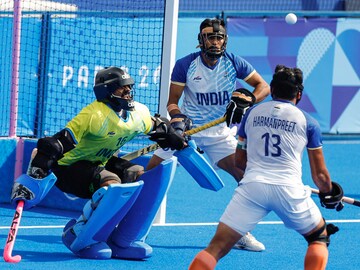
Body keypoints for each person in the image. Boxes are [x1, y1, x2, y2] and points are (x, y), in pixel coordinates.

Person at [10, 66, 187, 260]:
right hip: (68, 168)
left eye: (129, 87)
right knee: (110, 181)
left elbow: (159, 127)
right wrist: (38, 168)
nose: (128, 92)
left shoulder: (139, 113)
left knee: (139, 174)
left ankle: (125, 241)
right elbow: (57, 143)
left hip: (99, 162)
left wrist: (174, 135)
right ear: (106, 91)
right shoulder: (94, 115)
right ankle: (78, 234)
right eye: (122, 88)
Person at [188, 64, 344, 270]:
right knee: (318, 237)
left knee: (215, 248)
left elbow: (239, 162)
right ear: (299, 94)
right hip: (289, 190)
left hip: (252, 188)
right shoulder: (309, 123)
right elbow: (321, 177)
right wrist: (329, 193)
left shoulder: (251, 114)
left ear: (273, 89)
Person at [146, 18, 270, 251]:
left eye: (219, 37)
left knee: (245, 175)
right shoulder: (186, 65)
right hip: (187, 131)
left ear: (225, 40)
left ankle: (239, 232)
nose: (215, 41)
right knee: (151, 171)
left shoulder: (234, 62)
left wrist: (249, 100)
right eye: (210, 37)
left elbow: (264, 86)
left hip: (218, 133)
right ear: (200, 40)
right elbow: (172, 102)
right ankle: (125, 222)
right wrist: (177, 120)